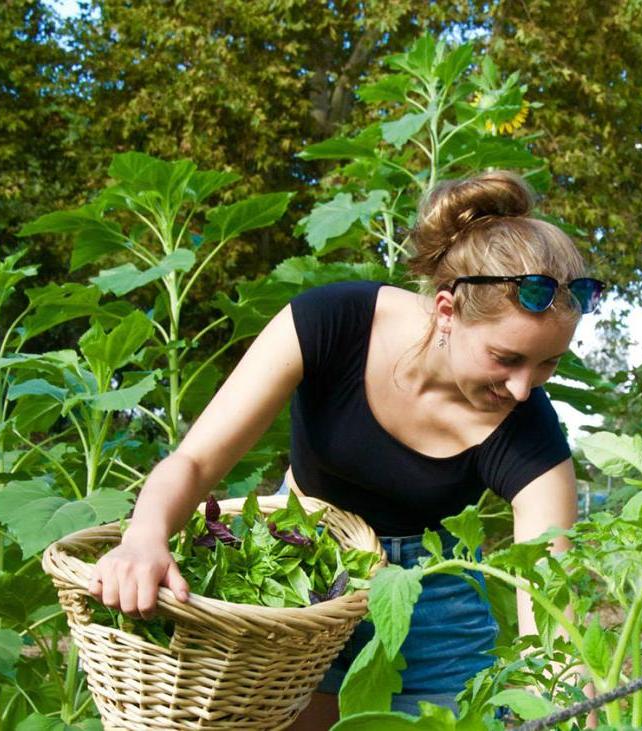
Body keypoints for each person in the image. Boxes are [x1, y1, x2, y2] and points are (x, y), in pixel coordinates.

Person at [88, 170, 604, 726]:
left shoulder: (530, 429)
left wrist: (571, 689)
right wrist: (143, 538)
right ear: (447, 312)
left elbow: (550, 599)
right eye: (507, 358)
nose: (524, 388)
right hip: (298, 576)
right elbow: (195, 461)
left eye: (547, 363)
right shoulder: (334, 323)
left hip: (430, 598)